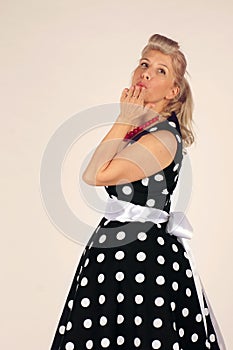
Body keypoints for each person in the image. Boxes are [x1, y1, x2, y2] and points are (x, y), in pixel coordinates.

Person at [50, 34, 226, 350]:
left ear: (175, 90)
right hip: (115, 253)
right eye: (144, 64)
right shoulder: (138, 132)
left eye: (161, 70)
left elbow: (94, 175)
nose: (146, 73)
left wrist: (122, 118)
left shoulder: (162, 139)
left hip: (143, 261)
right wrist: (127, 122)